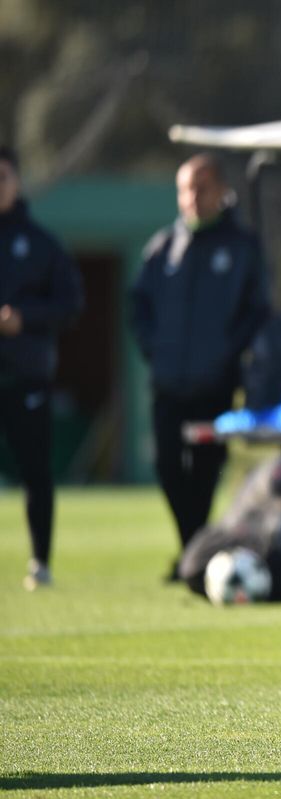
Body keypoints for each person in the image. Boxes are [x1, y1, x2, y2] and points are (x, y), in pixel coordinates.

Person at [131, 153, 270, 580]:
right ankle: (194, 548)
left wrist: (227, 354)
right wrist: (156, 351)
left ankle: (192, 556)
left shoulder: (241, 246)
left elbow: (256, 310)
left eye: (201, 188)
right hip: (169, 380)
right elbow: (138, 307)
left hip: (214, 382)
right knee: (168, 466)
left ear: (220, 190)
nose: (192, 197)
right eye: (185, 189)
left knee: (206, 468)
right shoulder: (161, 247)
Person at [0, 145, 84, 591]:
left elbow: (71, 305)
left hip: (24, 374)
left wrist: (24, 319)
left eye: (2, 177)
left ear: (17, 182)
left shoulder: (40, 244)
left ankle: (40, 562)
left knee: (35, 470)